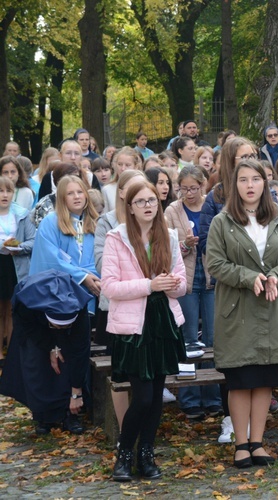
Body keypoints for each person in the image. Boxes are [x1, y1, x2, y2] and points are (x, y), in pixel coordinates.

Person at [206, 159, 278, 468]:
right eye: (243, 180)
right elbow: (215, 264)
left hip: (272, 309)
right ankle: (240, 443)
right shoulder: (222, 221)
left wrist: (275, 276)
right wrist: (250, 278)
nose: (249, 185)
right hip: (238, 309)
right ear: (235, 185)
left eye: (255, 179)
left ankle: (258, 442)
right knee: (240, 378)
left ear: (265, 183)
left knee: (264, 378)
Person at [101, 180, 187, 481]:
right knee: (144, 398)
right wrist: (150, 285)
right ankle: (124, 455)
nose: (149, 205)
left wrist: (173, 286)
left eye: (153, 200)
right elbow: (110, 286)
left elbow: (182, 283)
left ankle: (146, 455)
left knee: (156, 398)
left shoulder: (171, 236)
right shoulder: (117, 237)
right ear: (130, 207)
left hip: (163, 325)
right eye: (141, 202)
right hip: (132, 329)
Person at [198, 136, 260, 442]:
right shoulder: (217, 196)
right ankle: (230, 419)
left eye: (252, 155)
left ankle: (256, 428)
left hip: (264, 294)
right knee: (233, 357)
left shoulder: (265, 197)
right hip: (231, 291)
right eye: (241, 157)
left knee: (260, 360)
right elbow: (211, 247)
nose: (247, 160)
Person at [0, 270, 92, 435]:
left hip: (62, 325)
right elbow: (26, 325)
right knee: (36, 362)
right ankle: (42, 415)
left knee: (66, 357)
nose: (60, 330)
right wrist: (50, 346)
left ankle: (69, 413)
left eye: (65, 327)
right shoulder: (27, 300)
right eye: (58, 327)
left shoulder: (80, 307)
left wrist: (76, 392)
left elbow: (80, 350)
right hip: (34, 326)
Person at [165, 166, 221, 421]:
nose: (188, 193)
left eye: (193, 188)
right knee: (188, 340)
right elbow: (166, 248)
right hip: (185, 281)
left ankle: (212, 397)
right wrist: (185, 244)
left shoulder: (211, 207)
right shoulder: (172, 211)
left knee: (212, 339)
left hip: (210, 279)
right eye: (184, 188)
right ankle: (189, 398)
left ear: (202, 186)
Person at [94, 170, 148, 429]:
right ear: (123, 193)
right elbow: (103, 263)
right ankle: (126, 430)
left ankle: (144, 427)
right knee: (122, 374)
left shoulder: (155, 222)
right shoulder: (108, 222)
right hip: (117, 308)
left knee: (147, 375)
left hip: (149, 307)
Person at [30, 175, 101, 316]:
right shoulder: (50, 223)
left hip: (91, 290)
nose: (76, 197)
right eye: (70, 193)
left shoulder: (95, 222)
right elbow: (50, 260)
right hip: (57, 295)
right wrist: (82, 277)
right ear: (62, 198)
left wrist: (94, 277)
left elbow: (102, 256)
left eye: (80, 192)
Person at [0, 176, 35, 365]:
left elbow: (33, 240)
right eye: (0, 191)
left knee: (13, 308)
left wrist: (18, 247)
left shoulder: (22, 213)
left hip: (16, 264)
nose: (4, 195)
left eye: (8, 191)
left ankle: (13, 351)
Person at [33, 162, 85, 227]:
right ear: (58, 181)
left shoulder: (85, 199)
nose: (72, 180)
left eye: (77, 177)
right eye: (67, 178)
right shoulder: (45, 204)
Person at [103, 147, 143, 213]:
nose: (123, 168)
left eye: (127, 165)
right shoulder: (107, 189)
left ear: (135, 167)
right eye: (120, 164)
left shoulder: (142, 187)